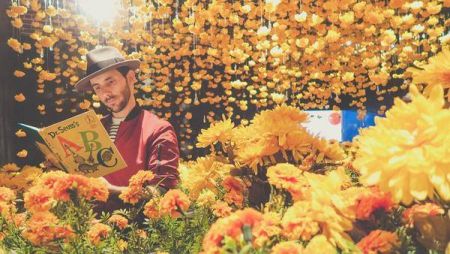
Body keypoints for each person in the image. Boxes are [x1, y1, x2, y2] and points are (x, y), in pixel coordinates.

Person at [74, 46, 180, 210]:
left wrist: (112, 191)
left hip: (136, 231)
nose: (105, 93)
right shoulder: (93, 129)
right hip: (91, 227)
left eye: (110, 81)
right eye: (97, 87)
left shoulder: (158, 129)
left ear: (130, 77)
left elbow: (162, 191)